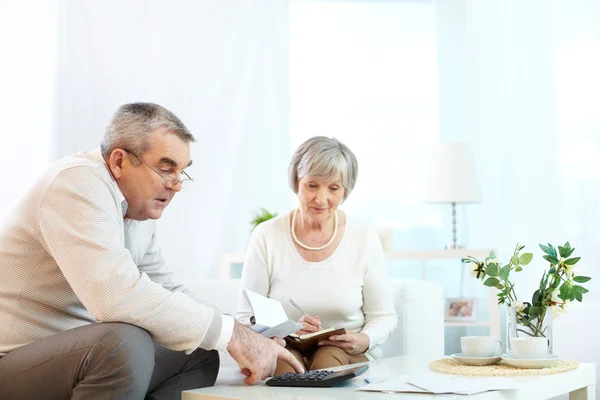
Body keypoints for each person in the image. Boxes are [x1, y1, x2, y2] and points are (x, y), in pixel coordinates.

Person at [0, 103, 303, 400]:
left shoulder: (137, 212)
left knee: (198, 350)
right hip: (14, 361)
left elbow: (166, 288)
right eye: (165, 168)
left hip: (75, 355)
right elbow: (115, 295)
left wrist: (241, 335)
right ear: (119, 161)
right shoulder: (76, 183)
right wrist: (232, 335)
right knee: (122, 343)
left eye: (181, 172)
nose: (176, 185)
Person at [237, 136, 397, 375]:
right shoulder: (267, 235)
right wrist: (287, 332)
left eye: (333, 188)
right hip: (283, 344)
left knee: (326, 365)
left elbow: (383, 316)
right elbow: (246, 316)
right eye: (312, 185)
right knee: (284, 368)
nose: (321, 199)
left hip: (344, 351)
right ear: (296, 183)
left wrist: (363, 339)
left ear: (345, 191)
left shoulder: (363, 236)